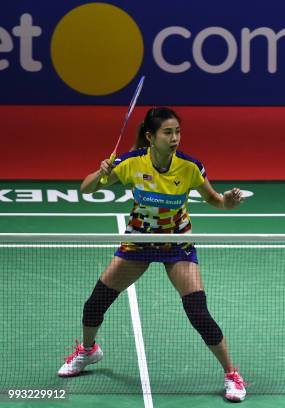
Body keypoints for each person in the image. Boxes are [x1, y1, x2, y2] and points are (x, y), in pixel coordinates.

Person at [57, 107, 246, 402]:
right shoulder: (131, 163)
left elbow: (216, 200)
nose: (174, 138)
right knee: (94, 304)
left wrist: (229, 202)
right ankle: (88, 351)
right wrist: (101, 172)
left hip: (176, 245)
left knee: (198, 311)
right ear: (150, 136)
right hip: (139, 243)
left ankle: (231, 374)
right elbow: (86, 189)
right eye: (167, 133)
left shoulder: (189, 167)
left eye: (178, 132)